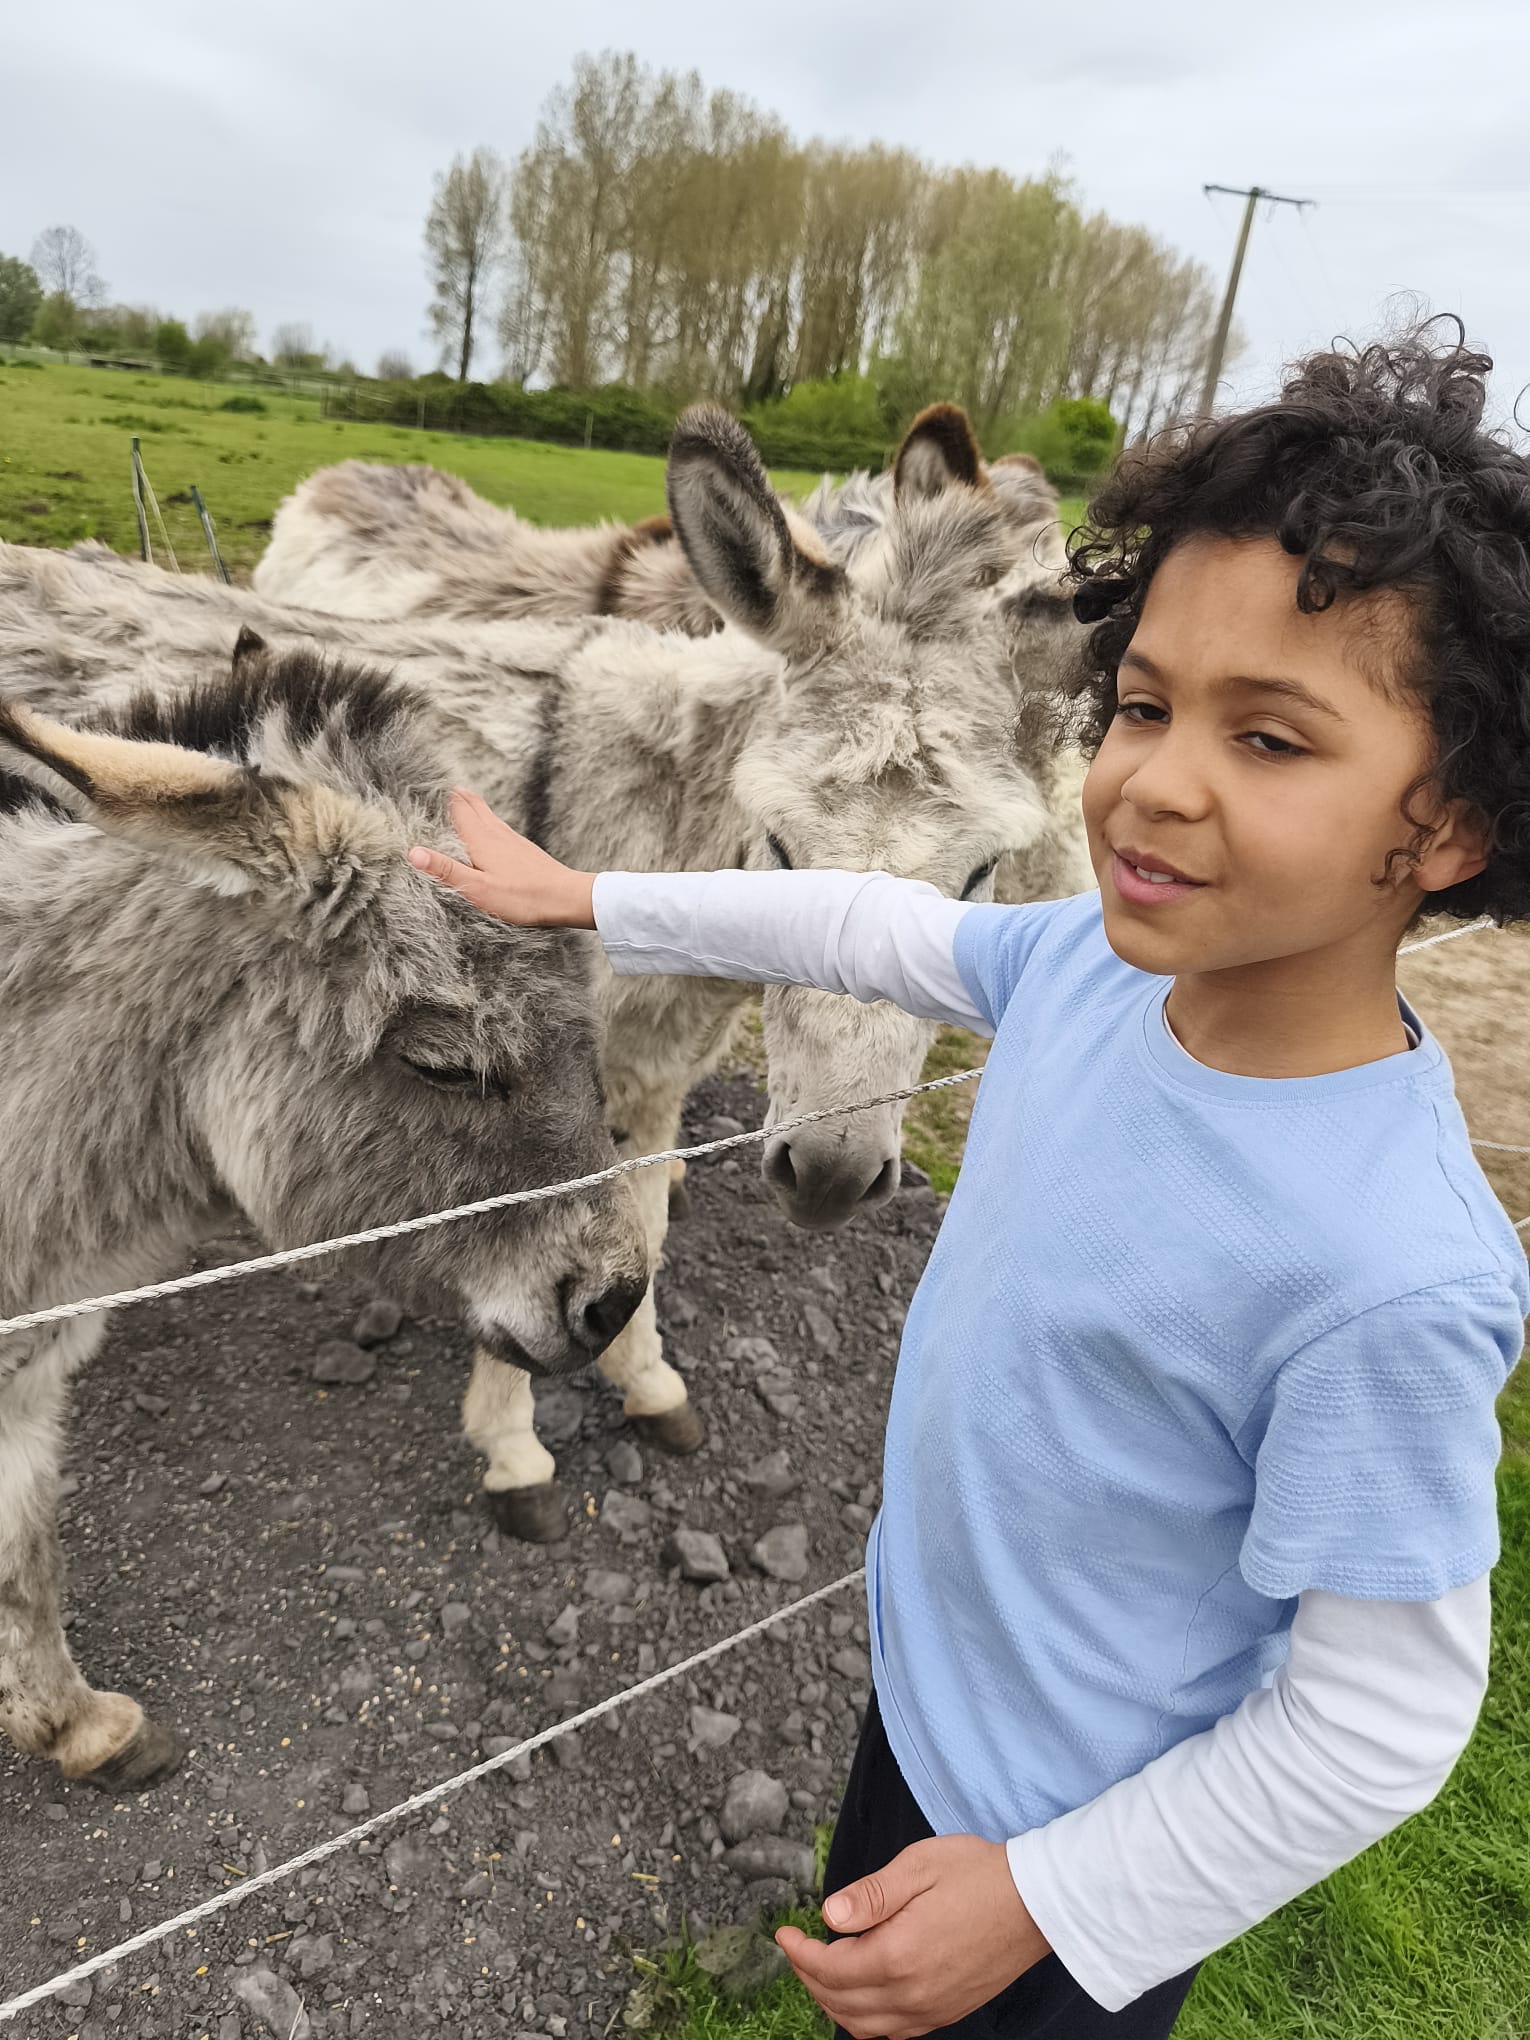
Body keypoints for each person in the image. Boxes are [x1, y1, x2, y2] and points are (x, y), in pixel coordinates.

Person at [407, 329, 1530, 2039]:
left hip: (1080, 1849)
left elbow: (1375, 1721)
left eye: (1268, 738)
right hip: (929, 1707)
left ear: (1446, 825)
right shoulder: (1090, 970)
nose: (1150, 781)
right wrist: (593, 898)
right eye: (1141, 704)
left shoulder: (1388, 1270)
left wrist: (1048, 1902)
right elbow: (867, 920)